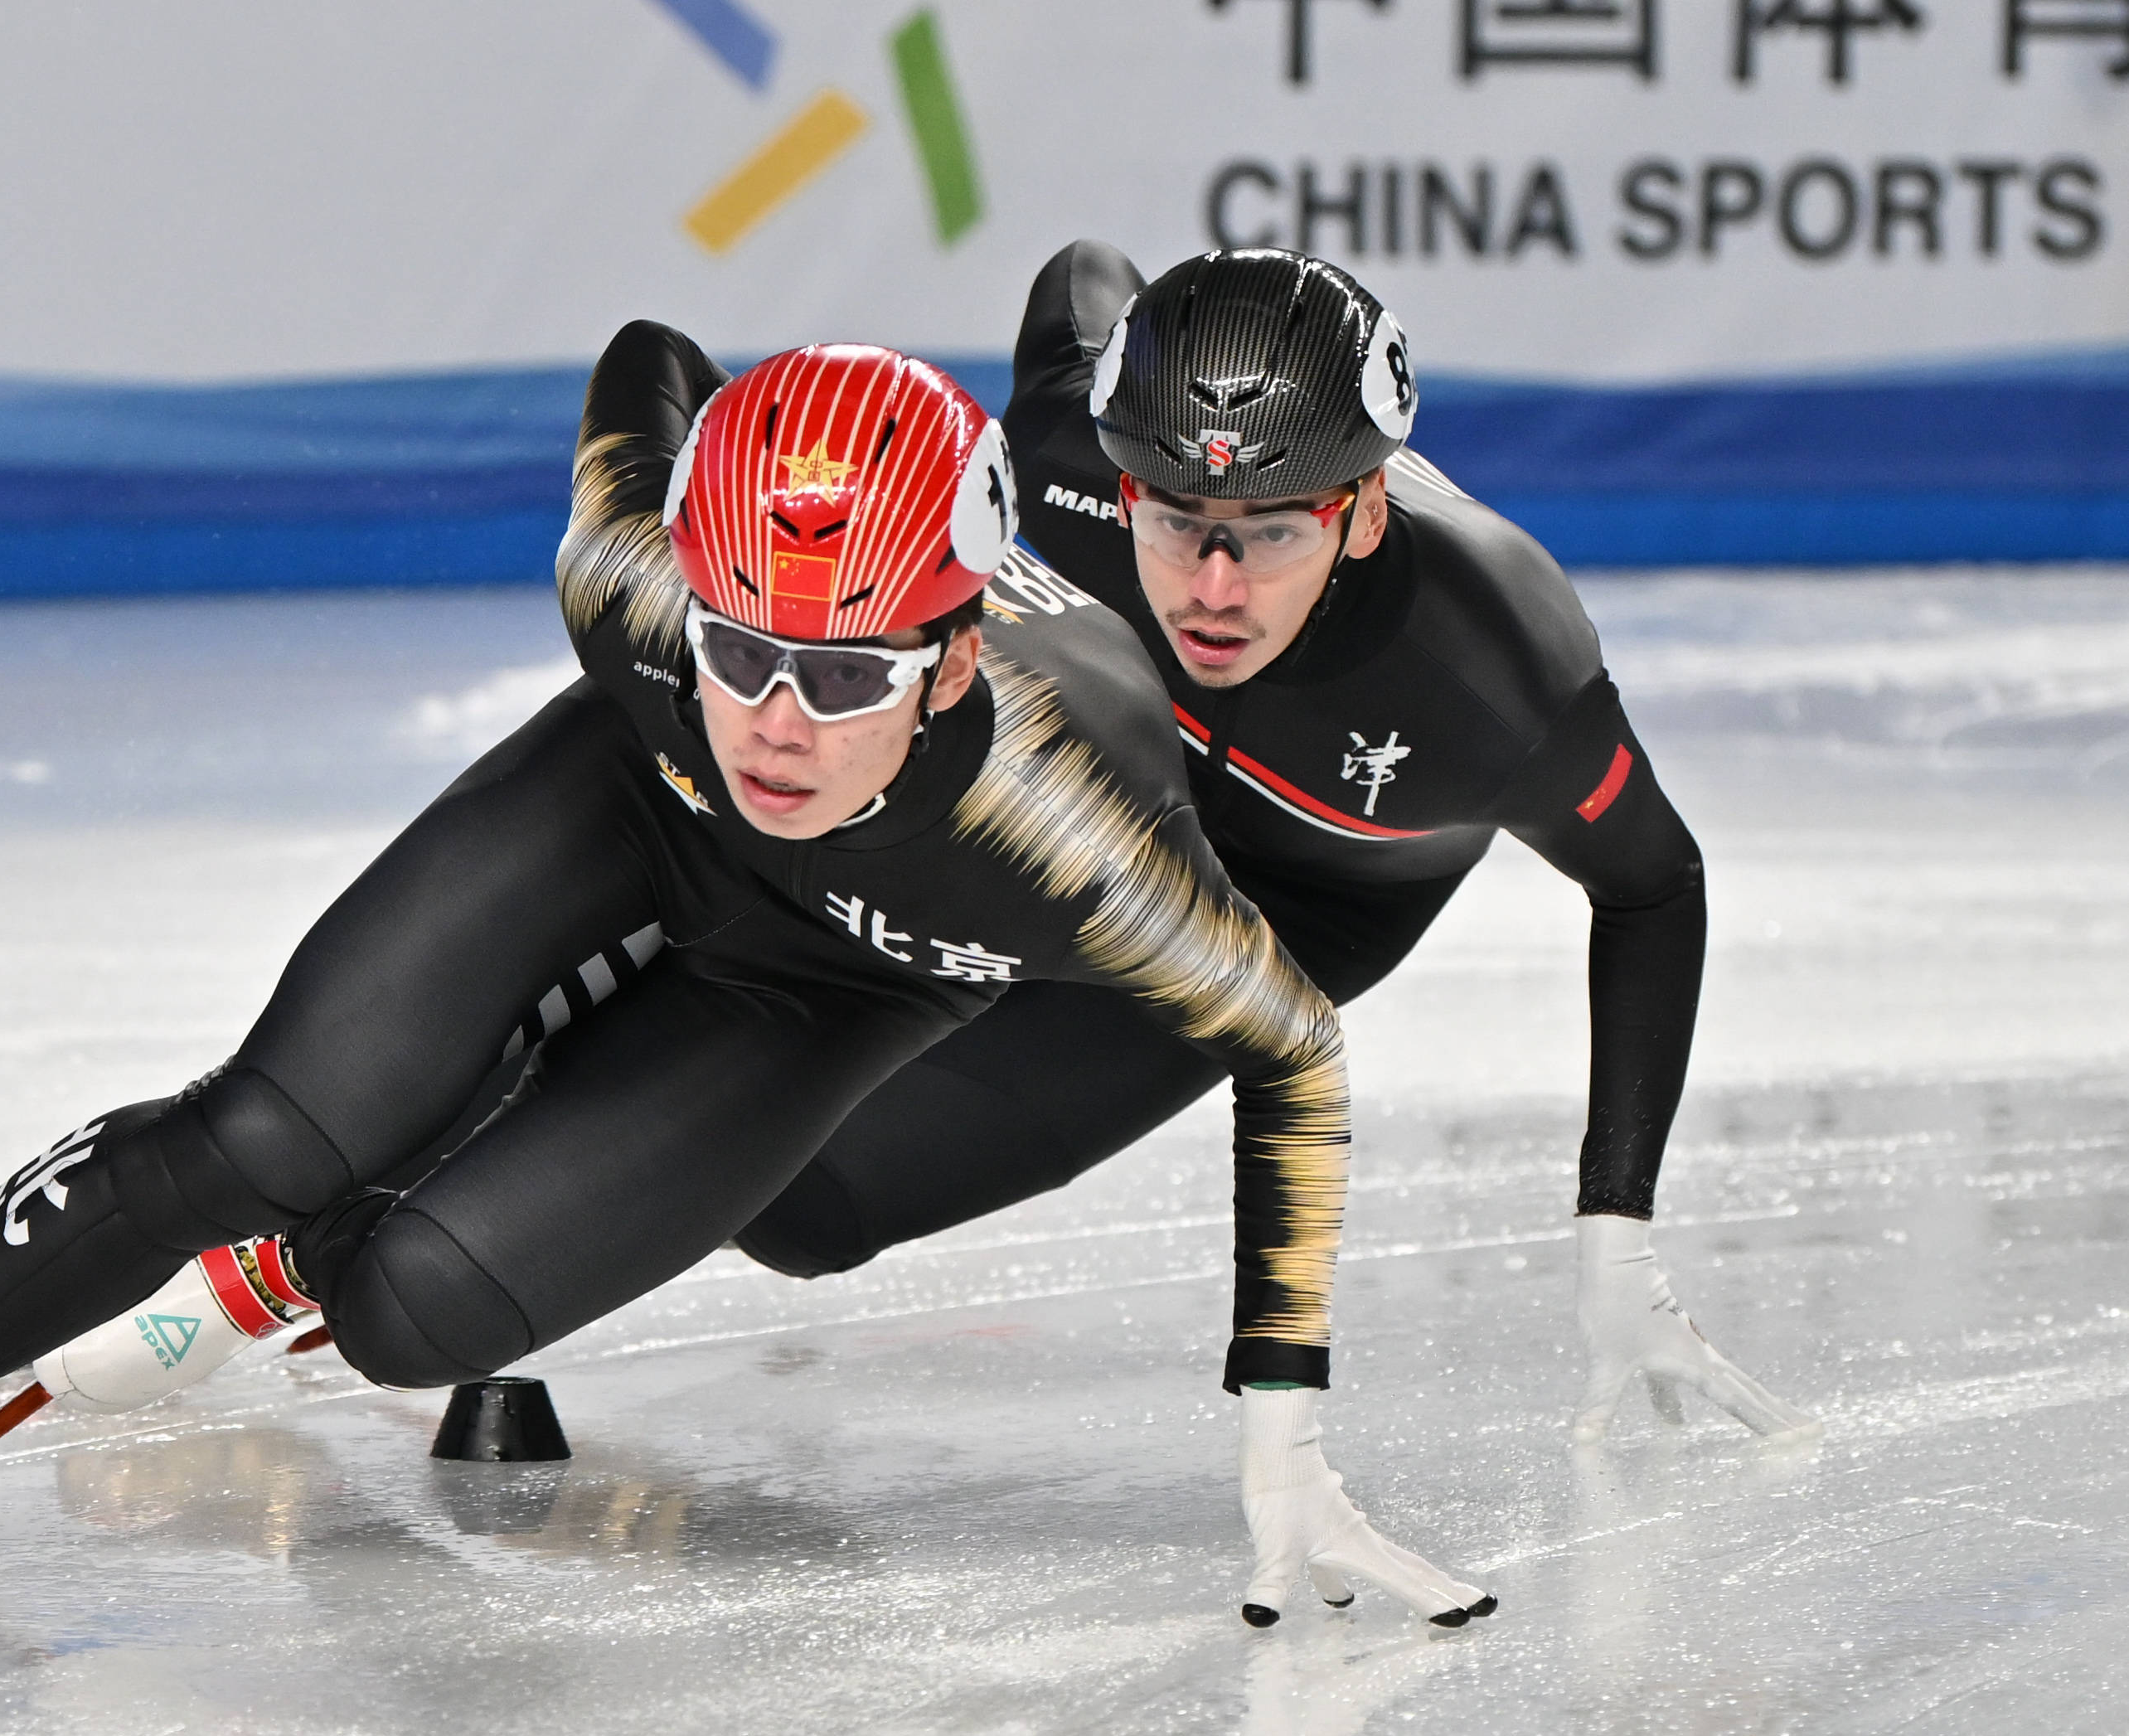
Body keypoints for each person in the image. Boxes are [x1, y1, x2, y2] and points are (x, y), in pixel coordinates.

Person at [0, 331, 1491, 1627]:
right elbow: (649, 365)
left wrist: (1283, 1422)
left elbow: (1294, 1057)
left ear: (947, 663)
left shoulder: (1075, 835)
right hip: (626, 811)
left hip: (839, 979)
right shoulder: (635, 588)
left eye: (844, 677)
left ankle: (289, 1274)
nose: (778, 718)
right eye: (746, 651)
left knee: (418, 1306)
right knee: (271, 1124)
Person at [735, 244, 1811, 1445]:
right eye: (1175, 517)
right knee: (701, 944)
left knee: (808, 1212)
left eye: (1272, 533)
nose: (1211, 586)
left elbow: (1654, 886)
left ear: (1359, 516)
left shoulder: (1499, 667)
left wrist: (1617, 1241)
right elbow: (1081, 279)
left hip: (1294, 908)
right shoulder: (1061, 461)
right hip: (1087, 796)